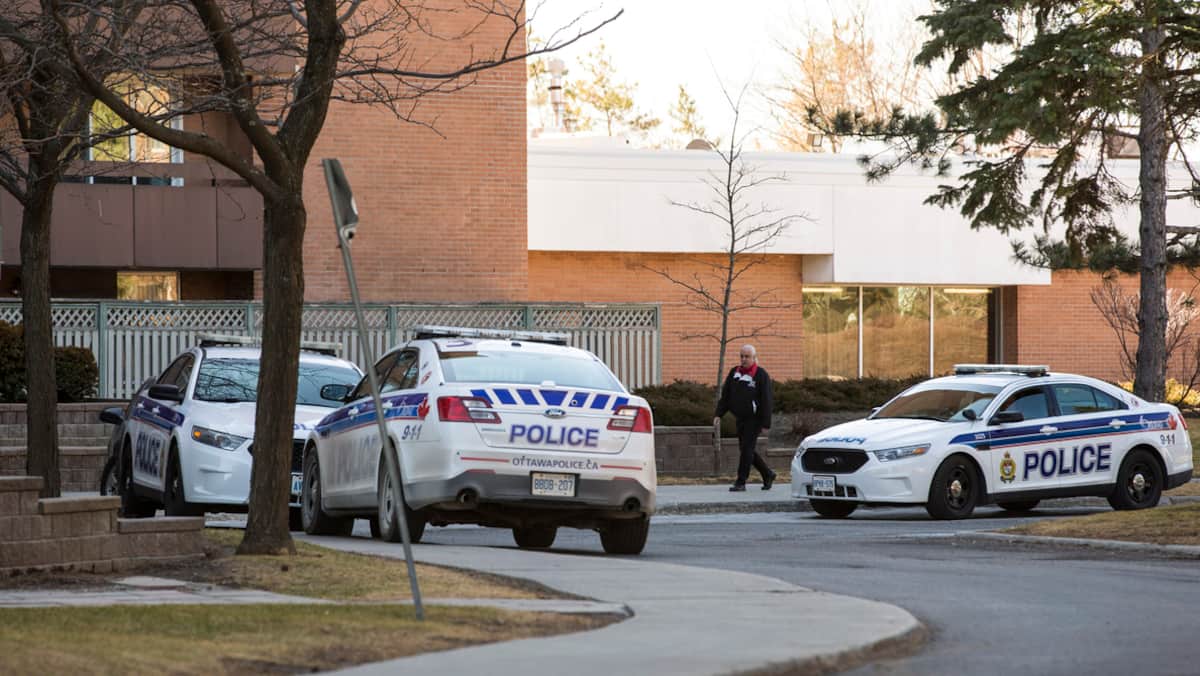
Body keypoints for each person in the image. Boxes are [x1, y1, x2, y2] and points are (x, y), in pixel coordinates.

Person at [715, 344, 776, 492]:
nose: (743, 359)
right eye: (741, 356)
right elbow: (726, 396)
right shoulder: (734, 373)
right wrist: (718, 414)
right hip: (741, 418)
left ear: (754, 358)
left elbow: (767, 400)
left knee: (747, 449)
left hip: (755, 419)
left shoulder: (761, 375)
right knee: (745, 449)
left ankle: (741, 482)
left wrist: (766, 423)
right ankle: (768, 474)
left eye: (747, 356)